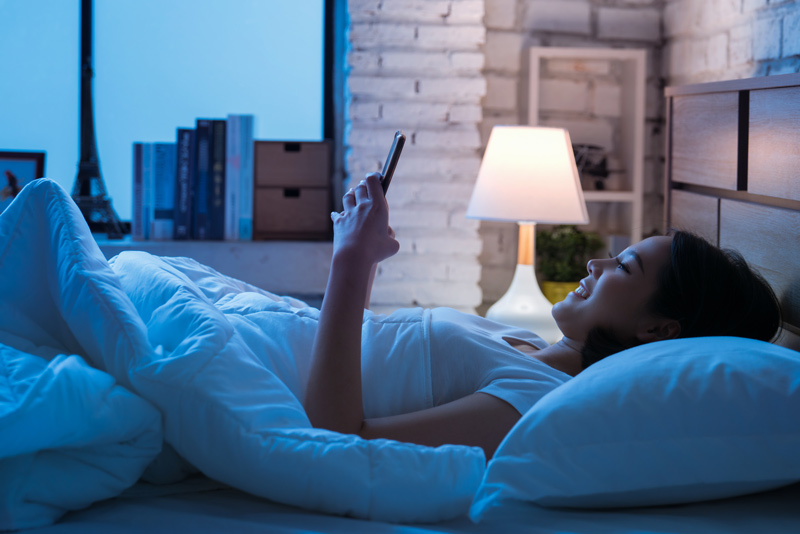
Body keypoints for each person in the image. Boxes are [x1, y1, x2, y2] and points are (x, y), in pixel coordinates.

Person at [304, 173, 782, 459]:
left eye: (624, 267)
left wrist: (350, 259)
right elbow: (371, 352)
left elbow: (339, 438)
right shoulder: (526, 343)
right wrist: (367, 257)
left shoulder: (533, 399)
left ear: (657, 329)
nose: (595, 263)